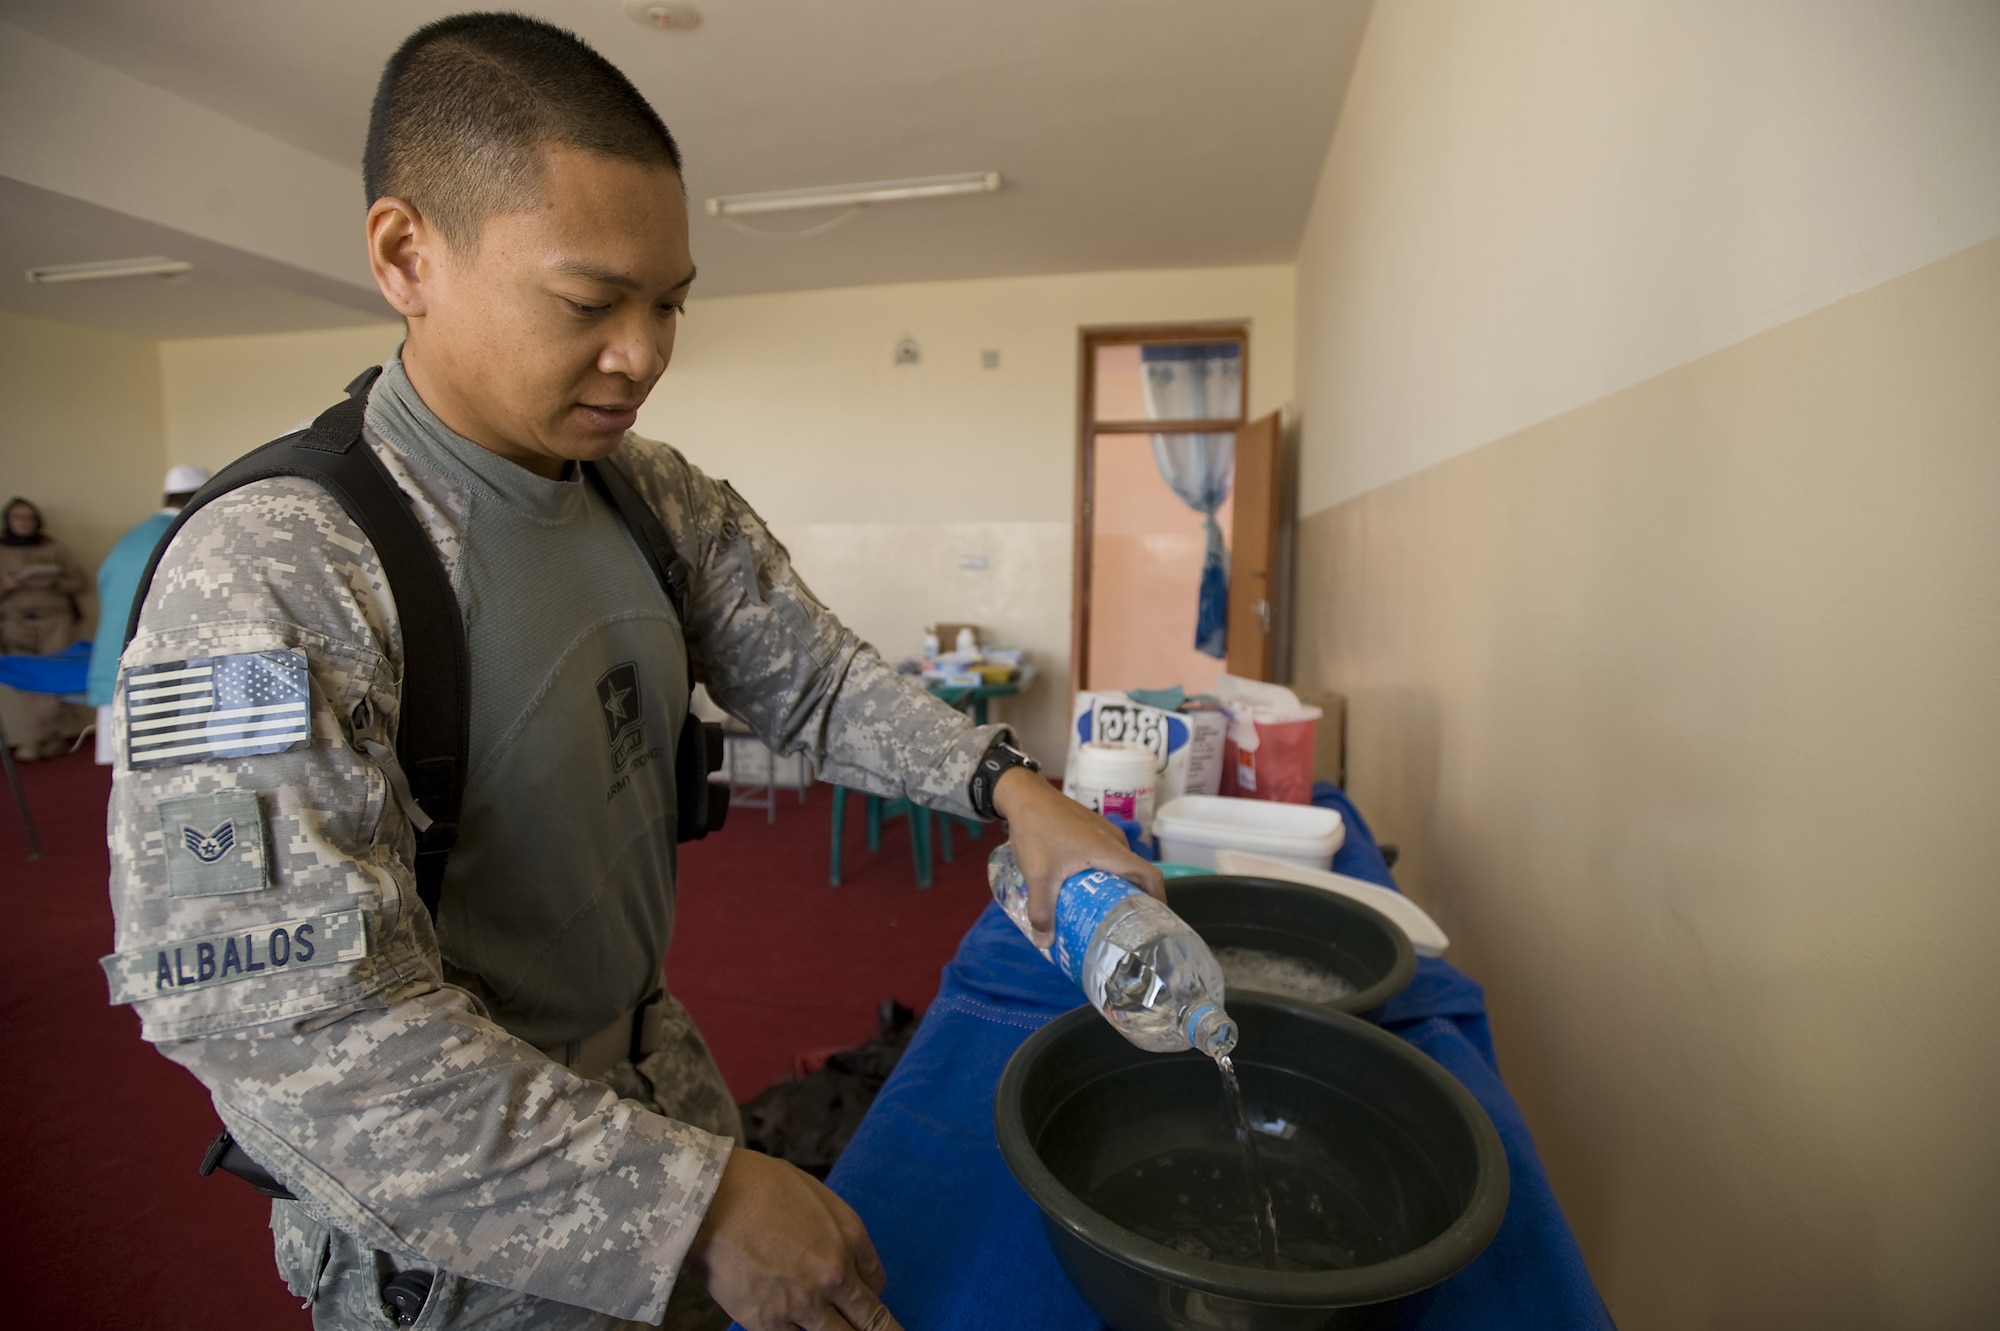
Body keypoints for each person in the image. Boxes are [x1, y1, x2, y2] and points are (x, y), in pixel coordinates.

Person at [103, 14, 1160, 1331]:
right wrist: (695, 1205)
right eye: (592, 301)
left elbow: (815, 680)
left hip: (656, 1080)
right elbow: (293, 1030)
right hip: (466, 1225)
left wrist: (1015, 786)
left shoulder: (645, 496)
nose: (646, 352)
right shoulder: (275, 576)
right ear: (405, 254)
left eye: (670, 303)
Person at [87, 465, 211, 763]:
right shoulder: (187, 531)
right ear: (202, 495)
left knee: (126, 770)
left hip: (114, 660)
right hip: (157, 665)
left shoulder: (134, 536)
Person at [0, 496, 90, 761]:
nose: (23, 523)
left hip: (55, 621)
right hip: (17, 623)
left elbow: (79, 582)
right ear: (8, 520)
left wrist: (53, 582)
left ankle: (44, 738)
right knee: (29, 681)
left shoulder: (53, 547)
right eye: (17, 517)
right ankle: (40, 737)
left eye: (28, 517)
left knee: (54, 679)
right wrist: (7, 586)